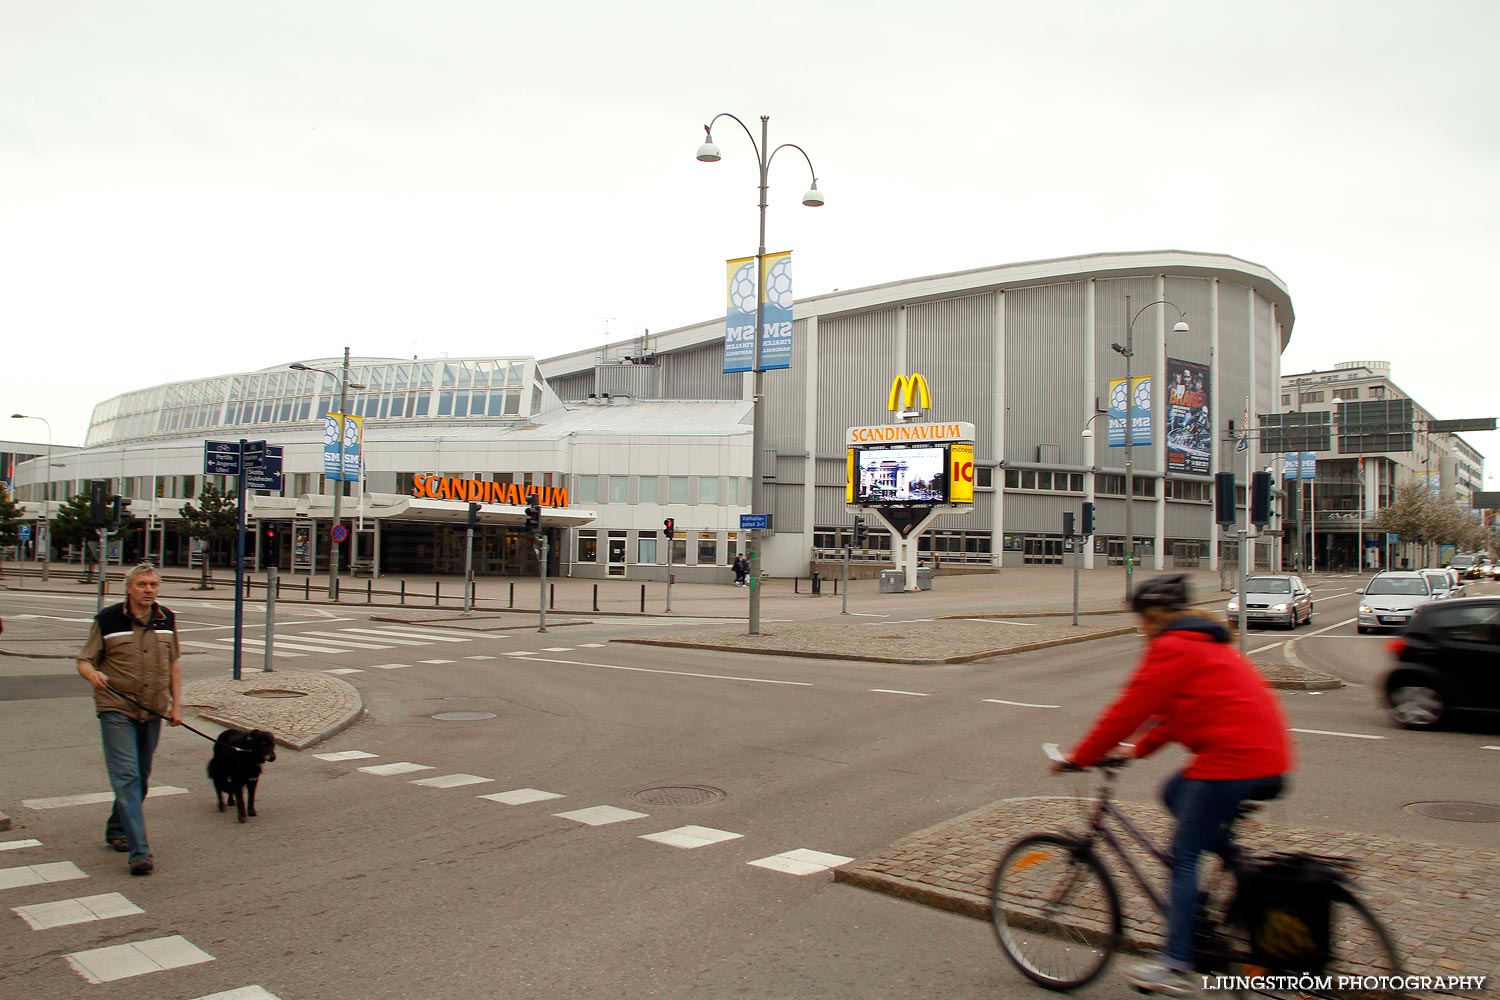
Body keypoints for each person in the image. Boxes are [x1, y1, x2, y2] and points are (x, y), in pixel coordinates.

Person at [1057, 573, 1292, 997]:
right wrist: (1137, 751)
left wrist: (1080, 757)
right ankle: (1234, 861)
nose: (1140, 628)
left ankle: (1176, 964)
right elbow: (1175, 713)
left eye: (1141, 620)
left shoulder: (1172, 647)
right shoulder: (1207, 644)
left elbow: (1128, 709)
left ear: (1154, 617)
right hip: (1266, 758)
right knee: (1173, 792)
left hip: (1233, 761)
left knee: (1182, 856)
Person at [76, 563, 183, 876]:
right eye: (141, 584)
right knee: (127, 777)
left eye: (152, 584)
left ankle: (116, 828)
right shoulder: (108, 620)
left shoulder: (166, 619)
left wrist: (178, 705)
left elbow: (174, 664)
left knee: (142, 776)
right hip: (116, 707)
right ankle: (140, 852)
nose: (148, 590)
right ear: (129, 588)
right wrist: (91, 674)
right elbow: (84, 659)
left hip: (152, 709)